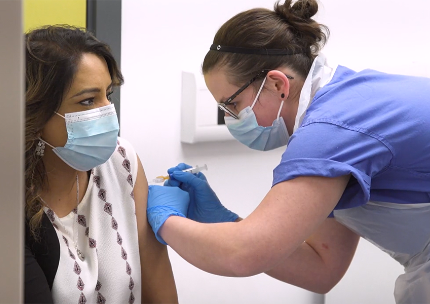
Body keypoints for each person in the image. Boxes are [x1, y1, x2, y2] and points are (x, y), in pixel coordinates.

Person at [146, 0, 430, 303]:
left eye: (232, 105)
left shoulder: (331, 131)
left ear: (277, 84)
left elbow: (243, 255)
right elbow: (321, 269)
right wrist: (223, 222)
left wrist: (164, 219)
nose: (231, 119)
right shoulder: (345, 100)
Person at [24, 25, 184, 304]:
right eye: (87, 101)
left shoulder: (122, 161)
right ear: (36, 114)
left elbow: (160, 294)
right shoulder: (4, 199)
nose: (106, 112)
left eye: (107, 95)